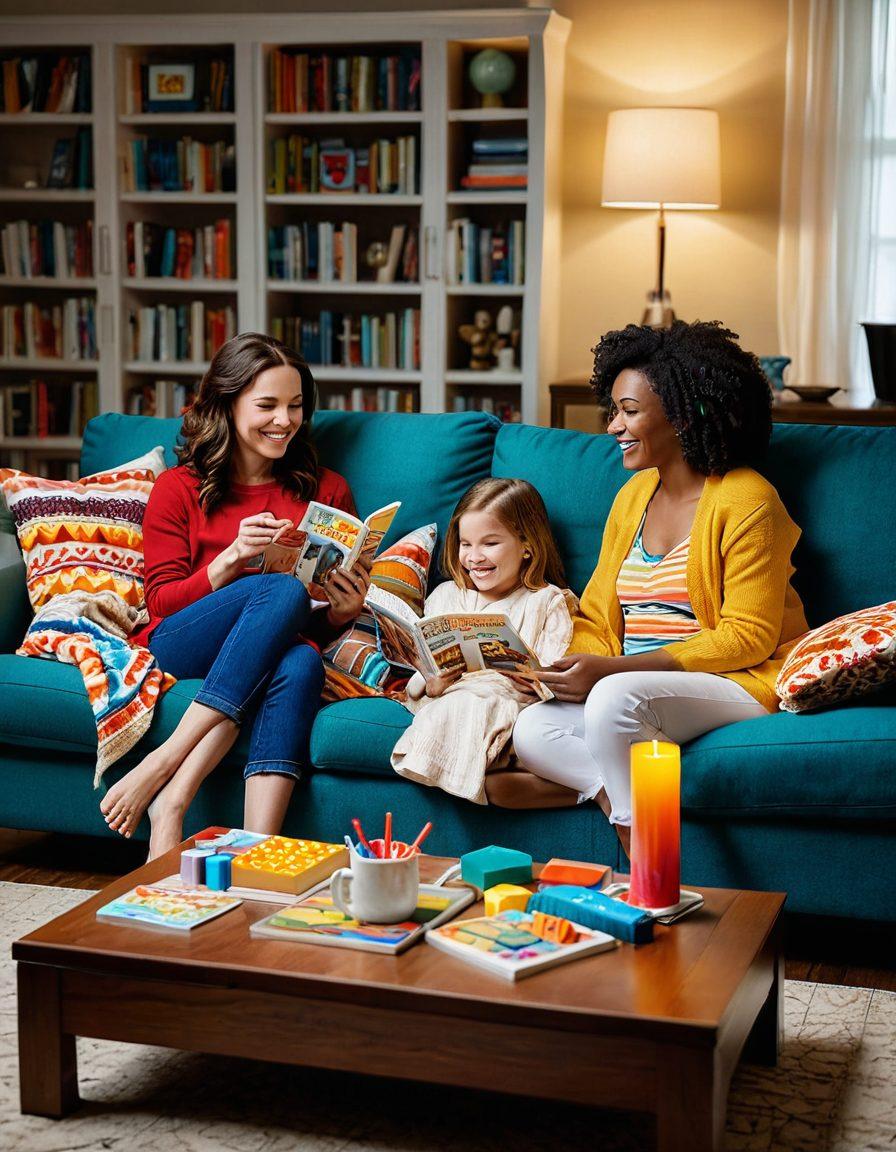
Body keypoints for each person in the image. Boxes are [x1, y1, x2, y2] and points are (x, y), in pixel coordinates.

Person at [506, 320, 809, 856]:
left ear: (684, 411)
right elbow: (598, 618)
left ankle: (647, 864)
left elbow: (749, 636)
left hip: (739, 680)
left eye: (629, 411)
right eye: (614, 410)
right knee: (533, 728)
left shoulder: (747, 500)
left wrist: (616, 671)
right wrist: (568, 671)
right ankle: (626, 810)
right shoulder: (632, 497)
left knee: (613, 700)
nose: (612, 427)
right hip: (632, 688)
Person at [100, 332, 370, 858]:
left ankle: (253, 848)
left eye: (295, 406)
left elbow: (303, 625)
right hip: (178, 643)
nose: (284, 420)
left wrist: (342, 613)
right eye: (266, 405)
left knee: (300, 660)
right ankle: (162, 764)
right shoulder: (179, 488)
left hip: (273, 645)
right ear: (226, 404)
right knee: (280, 590)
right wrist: (229, 561)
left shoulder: (326, 490)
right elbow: (161, 604)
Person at [390, 478, 576, 805]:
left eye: (489, 544)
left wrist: (535, 682)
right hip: (449, 695)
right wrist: (431, 683)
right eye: (466, 544)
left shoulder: (547, 601)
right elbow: (423, 671)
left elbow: (556, 672)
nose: (474, 557)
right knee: (451, 705)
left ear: (527, 545)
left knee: (486, 707)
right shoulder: (446, 595)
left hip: (511, 701)